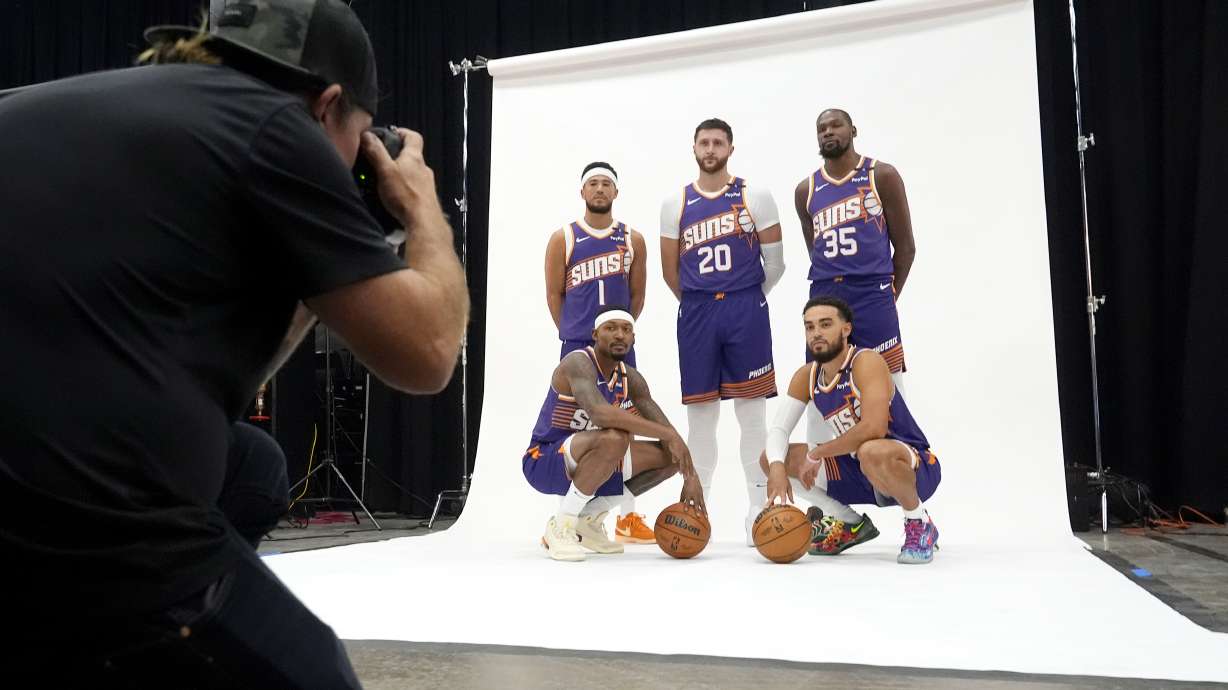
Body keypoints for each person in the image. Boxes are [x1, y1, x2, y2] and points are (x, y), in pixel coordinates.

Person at [0, 0, 468, 686]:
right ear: (328, 104)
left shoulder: (90, 110)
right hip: (80, 525)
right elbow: (429, 354)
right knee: (313, 671)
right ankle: (144, 619)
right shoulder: (277, 126)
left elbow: (223, 393)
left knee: (252, 465)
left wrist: (314, 278)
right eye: (362, 137)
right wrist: (423, 209)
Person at [659, 118, 786, 545]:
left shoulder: (755, 195)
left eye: (718, 142)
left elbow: (777, 265)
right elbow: (669, 272)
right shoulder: (675, 202)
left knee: (752, 416)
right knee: (700, 420)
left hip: (745, 308)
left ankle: (756, 508)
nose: (710, 149)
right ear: (693, 147)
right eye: (703, 142)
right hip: (696, 313)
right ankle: (699, 506)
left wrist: (745, 297)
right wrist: (703, 301)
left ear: (731, 148)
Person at [760, 297, 941, 564]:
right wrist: (776, 467)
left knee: (871, 450)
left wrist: (818, 452)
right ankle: (849, 524)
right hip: (860, 470)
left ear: (846, 329)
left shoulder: (866, 362)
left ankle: (919, 522)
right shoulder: (807, 376)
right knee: (773, 457)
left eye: (825, 324)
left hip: (913, 466)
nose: (816, 333)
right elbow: (778, 430)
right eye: (809, 327)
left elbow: (874, 428)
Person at [523, 307, 705, 562]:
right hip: (544, 459)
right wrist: (668, 434)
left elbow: (670, 438)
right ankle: (561, 525)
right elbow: (600, 414)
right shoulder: (578, 363)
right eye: (611, 328)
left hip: (591, 460)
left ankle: (589, 519)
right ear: (595, 335)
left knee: (669, 457)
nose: (620, 335)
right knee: (615, 437)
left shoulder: (630, 378)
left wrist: (690, 475)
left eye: (626, 329)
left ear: (633, 338)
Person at [543, 161, 655, 545]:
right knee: (577, 425)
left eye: (606, 184)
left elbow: (637, 296)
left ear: (616, 192)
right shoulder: (564, 237)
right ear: (583, 191)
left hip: (618, 348)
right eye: (593, 183)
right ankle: (568, 516)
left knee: (627, 424)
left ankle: (626, 516)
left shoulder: (632, 239)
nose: (600, 189)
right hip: (578, 342)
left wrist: (618, 332)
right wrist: (575, 332)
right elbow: (554, 294)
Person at [793, 108, 917, 449]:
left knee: (888, 385)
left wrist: (888, 295)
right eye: (821, 128)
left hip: (873, 294)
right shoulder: (806, 190)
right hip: (826, 295)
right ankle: (828, 490)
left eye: (836, 125)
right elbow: (815, 249)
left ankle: (903, 474)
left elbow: (905, 249)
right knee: (821, 388)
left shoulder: (882, 175)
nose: (828, 132)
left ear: (853, 130)